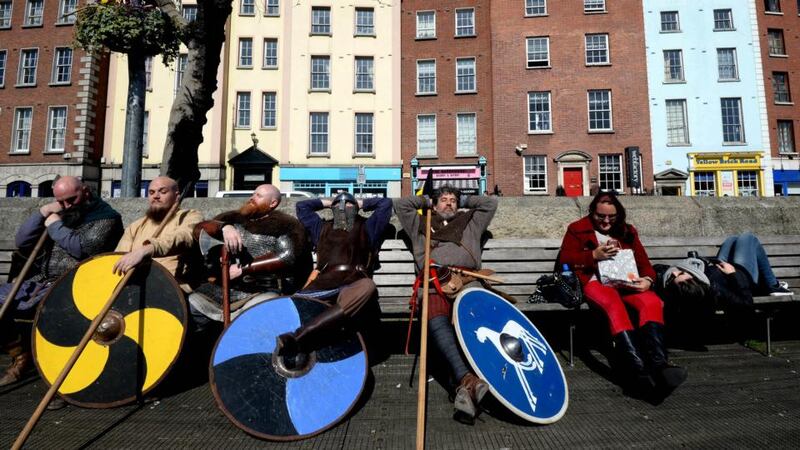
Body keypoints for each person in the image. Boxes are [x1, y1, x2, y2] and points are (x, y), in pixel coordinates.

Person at [558, 191, 686, 397]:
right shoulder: (577, 229)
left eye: (611, 217)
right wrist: (592, 255)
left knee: (651, 302)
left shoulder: (628, 231)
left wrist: (648, 280)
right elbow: (565, 259)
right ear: (592, 212)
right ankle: (638, 371)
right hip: (595, 283)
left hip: (627, 282)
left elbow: (645, 264)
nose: (606, 221)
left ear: (619, 215)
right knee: (613, 304)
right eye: (600, 216)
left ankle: (659, 365)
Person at [0, 176, 123, 386]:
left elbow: (83, 248)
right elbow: (22, 241)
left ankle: (63, 377)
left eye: (71, 199)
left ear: (85, 191)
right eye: (61, 201)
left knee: (56, 314)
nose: (66, 205)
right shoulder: (62, 213)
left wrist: (55, 225)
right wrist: (42, 213)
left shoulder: (106, 218)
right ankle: (20, 355)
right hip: (41, 281)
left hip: (76, 286)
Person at [395, 185, 498, 424]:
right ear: (435, 203)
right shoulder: (419, 226)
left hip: (468, 280)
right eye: (443, 199)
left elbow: (490, 204)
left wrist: (465, 199)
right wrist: (426, 203)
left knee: (474, 309)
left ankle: (465, 383)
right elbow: (401, 205)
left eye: (452, 200)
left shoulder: (471, 222)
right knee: (437, 317)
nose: (449, 203)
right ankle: (467, 382)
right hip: (433, 283)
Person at [274, 193, 392, 372]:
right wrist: (328, 202)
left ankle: (298, 337)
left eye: (349, 205)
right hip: (323, 283)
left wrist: (359, 202)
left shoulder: (369, 227)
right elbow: (302, 207)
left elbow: (385, 203)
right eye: (338, 205)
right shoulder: (320, 227)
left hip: (354, 282)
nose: (343, 207)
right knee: (291, 306)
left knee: (368, 287)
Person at [188, 184, 312, 325]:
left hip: (260, 291)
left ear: (273, 203)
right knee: (191, 304)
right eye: (253, 194)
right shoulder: (230, 218)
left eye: (258, 196)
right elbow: (199, 231)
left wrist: (243, 269)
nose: (252, 198)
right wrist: (224, 227)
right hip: (221, 289)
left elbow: (286, 256)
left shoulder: (286, 225)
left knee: (258, 313)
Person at [656, 232, 792, 346]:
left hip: (719, 268)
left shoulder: (686, 284)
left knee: (732, 239)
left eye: (676, 276)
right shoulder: (716, 289)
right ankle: (774, 286)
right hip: (741, 274)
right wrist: (732, 274)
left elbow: (658, 269)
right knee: (748, 238)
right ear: (695, 280)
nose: (675, 273)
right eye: (681, 273)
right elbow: (746, 302)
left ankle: (769, 285)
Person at [113, 176, 202, 290]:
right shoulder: (136, 226)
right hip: (137, 289)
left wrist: (147, 249)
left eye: (163, 192)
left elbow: (184, 237)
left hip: (174, 289)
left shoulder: (190, 216)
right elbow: (119, 258)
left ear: (176, 196)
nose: (156, 196)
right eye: (151, 192)